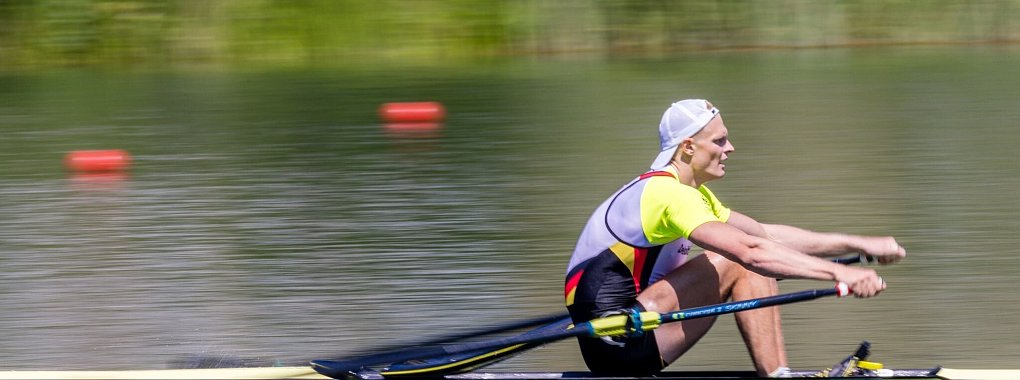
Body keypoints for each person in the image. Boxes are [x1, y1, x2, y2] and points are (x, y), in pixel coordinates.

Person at [563, 99, 906, 377]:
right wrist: (840, 274)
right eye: (719, 140)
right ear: (687, 147)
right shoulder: (667, 194)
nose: (730, 148)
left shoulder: (691, 192)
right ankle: (777, 375)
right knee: (742, 261)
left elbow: (764, 236)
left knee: (750, 255)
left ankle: (777, 373)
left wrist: (859, 244)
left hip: (636, 328)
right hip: (617, 340)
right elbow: (751, 252)